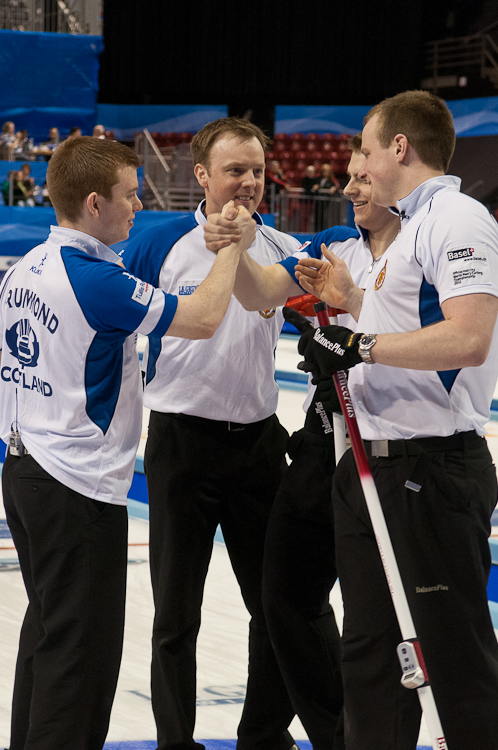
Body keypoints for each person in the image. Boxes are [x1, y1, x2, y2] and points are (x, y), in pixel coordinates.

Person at [0, 135, 253, 750]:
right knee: (79, 662)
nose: (138, 207)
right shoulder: (94, 280)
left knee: (47, 636)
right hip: (75, 486)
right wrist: (230, 249)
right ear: (93, 204)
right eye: (129, 196)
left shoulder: (25, 269)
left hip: (26, 469)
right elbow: (201, 318)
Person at [293, 90, 498, 750]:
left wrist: (363, 345)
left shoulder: (457, 220)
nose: (359, 162)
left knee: (452, 663)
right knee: (373, 662)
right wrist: (348, 309)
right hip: (370, 471)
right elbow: (393, 326)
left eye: (367, 147)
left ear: (400, 149)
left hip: (427, 474)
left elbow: (468, 337)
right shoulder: (405, 235)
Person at [203, 134, 401, 750]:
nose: (347, 189)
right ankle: (331, 734)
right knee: (283, 599)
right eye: (347, 177)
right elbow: (261, 292)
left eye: (361, 178)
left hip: (394, 452)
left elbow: (441, 341)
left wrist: (354, 318)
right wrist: (235, 247)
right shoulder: (333, 243)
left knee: (379, 622)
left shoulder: (425, 249)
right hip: (322, 447)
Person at [121, 116, 302, 750]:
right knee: (176, 616)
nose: (249, 182)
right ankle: (177, 742)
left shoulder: (281, 248)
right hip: (182, 447)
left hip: (258, 446)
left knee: (276, 609)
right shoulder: (159, 246)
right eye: (235, 170)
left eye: (257, 170)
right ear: (202, 176)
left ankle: (264, 735)